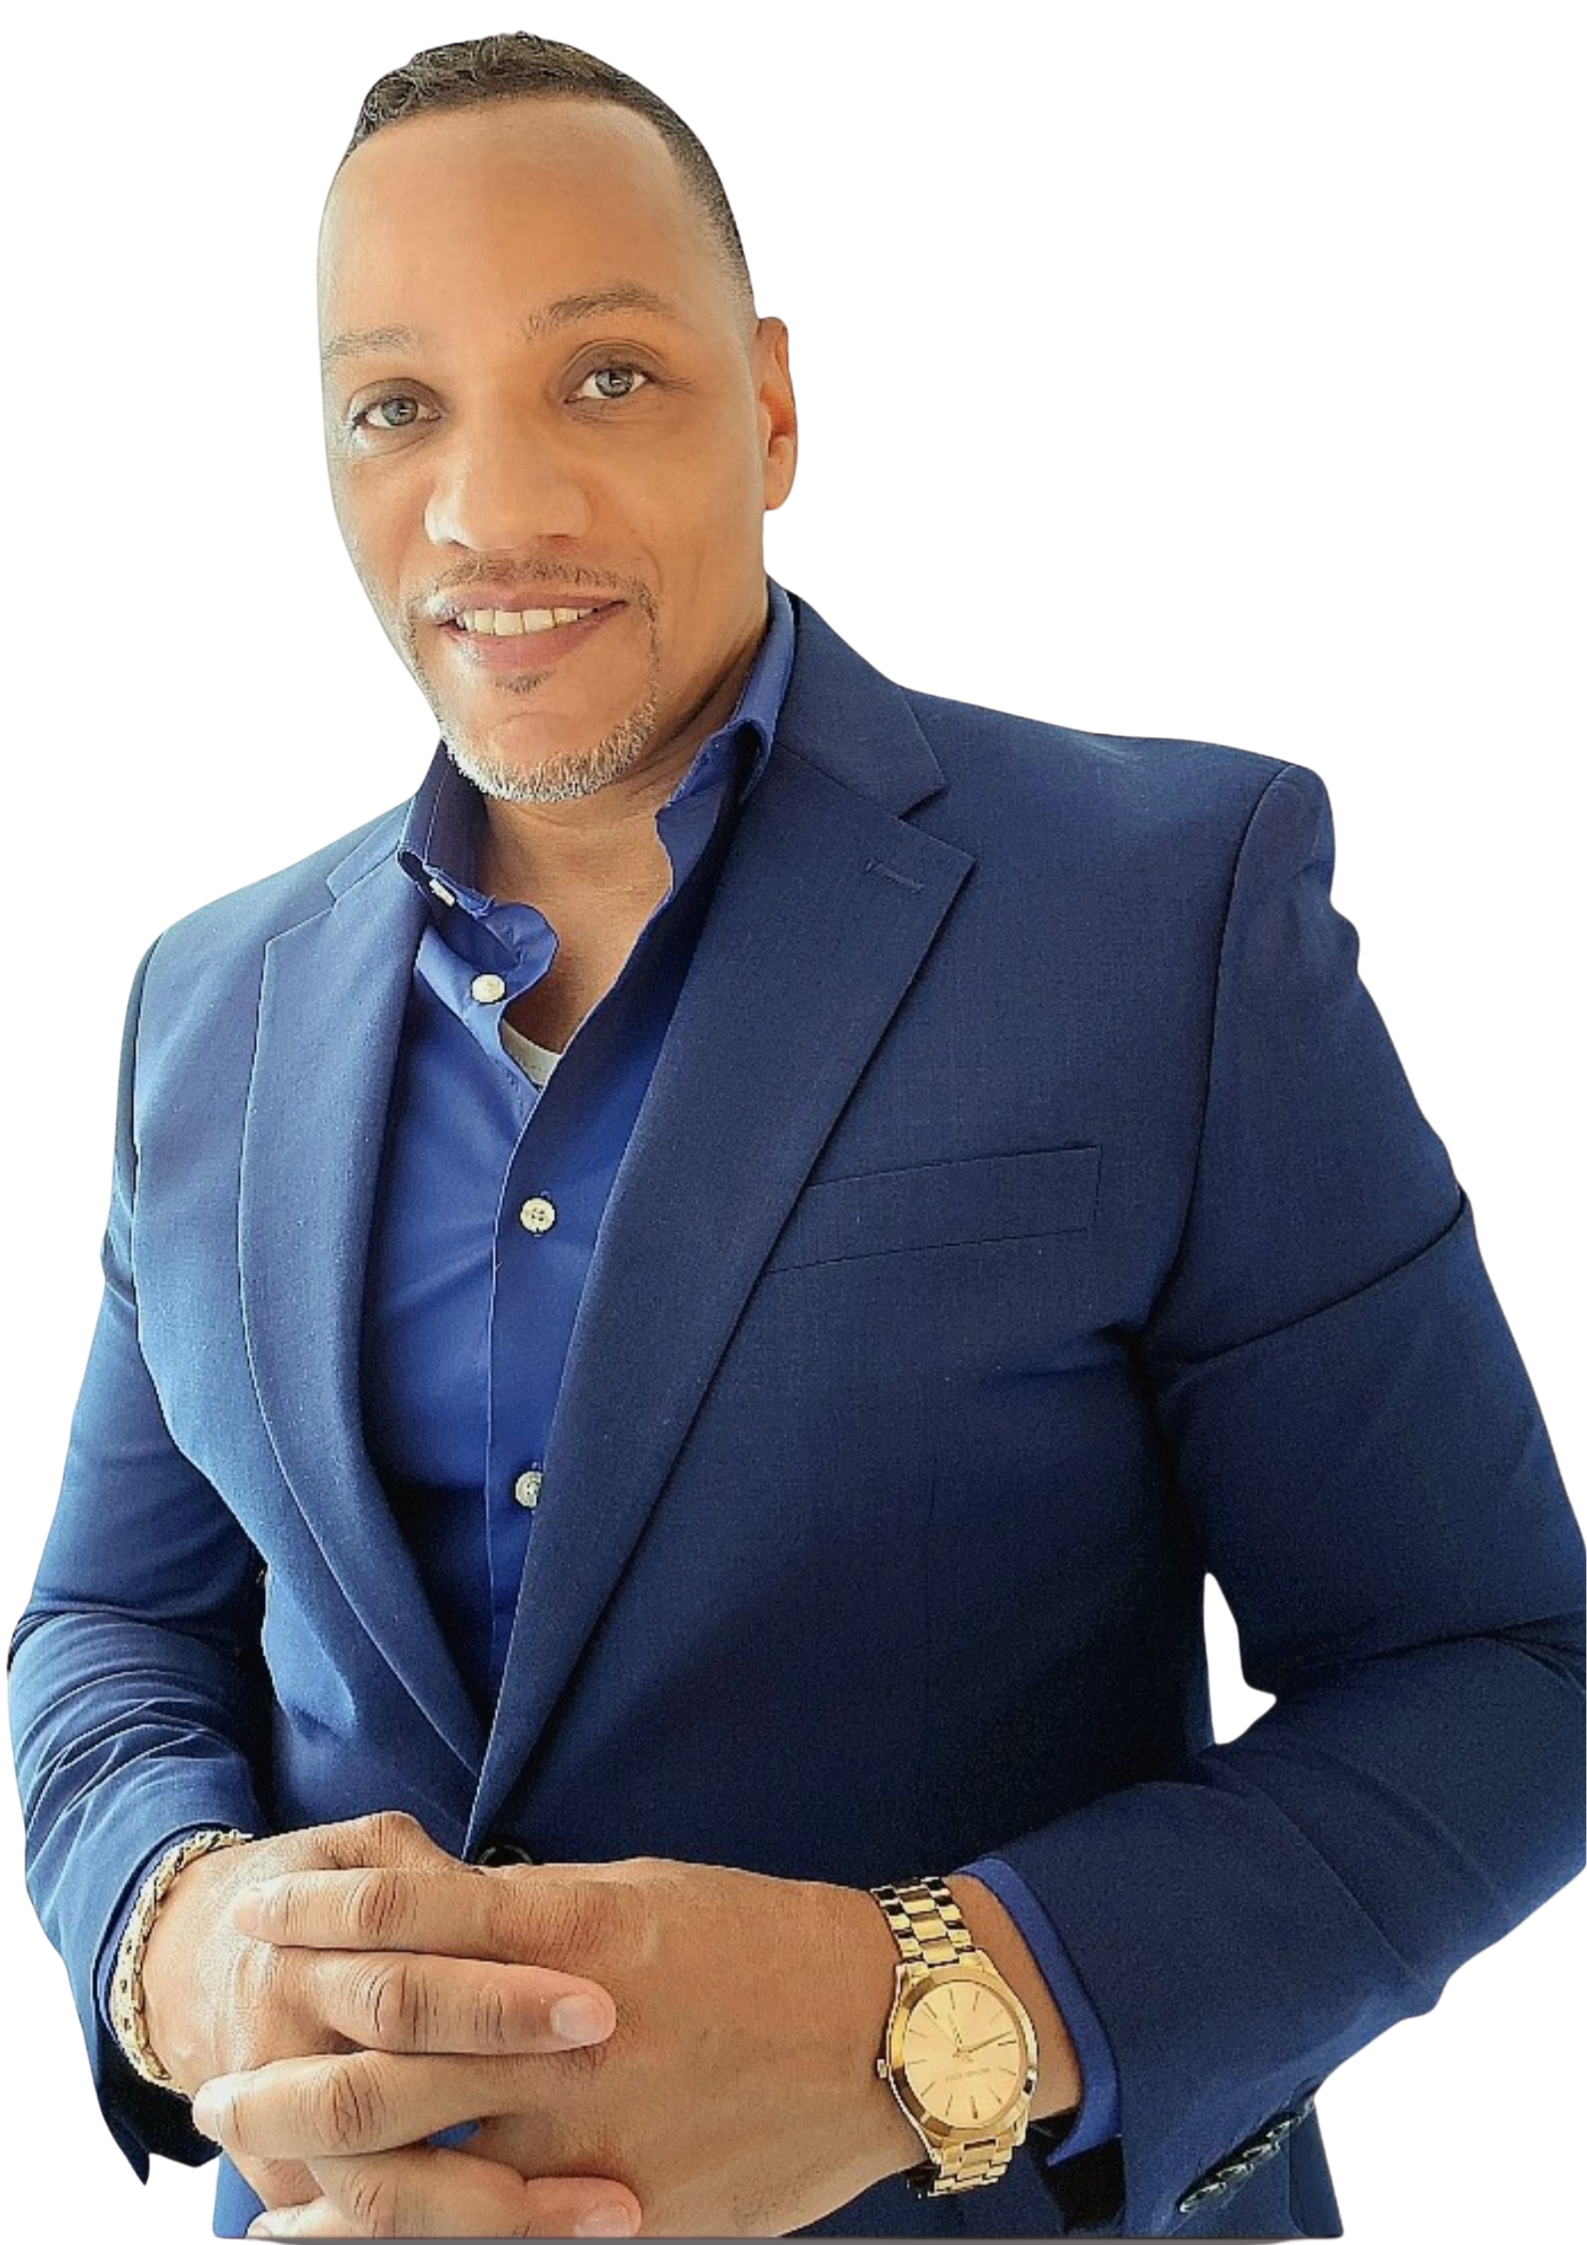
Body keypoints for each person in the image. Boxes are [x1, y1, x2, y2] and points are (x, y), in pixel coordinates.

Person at [10, 27, 1582, 2242]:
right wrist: (173, 1942)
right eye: (395, 407)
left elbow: (1505, 1679)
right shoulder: (207, 998)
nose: (489, 513)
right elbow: (106, 1621)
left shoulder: (1168, 905)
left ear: (768, 407)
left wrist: (928, 2015)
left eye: (605, 378)